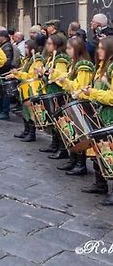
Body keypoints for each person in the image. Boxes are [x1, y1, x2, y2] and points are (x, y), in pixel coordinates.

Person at [50, 36, 94, 176]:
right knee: (72, 133)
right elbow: (68, 77)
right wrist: (58, 75)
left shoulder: (83, 65)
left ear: (77, 49)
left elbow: (80, 88)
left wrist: (65, 82)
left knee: (79, 133)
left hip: (80, 103)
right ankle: (73, 160)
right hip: (72, 101)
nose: (67, 51)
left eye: (69, 48)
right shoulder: (74, 63)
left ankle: (81, 164)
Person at [80, 36, 113, 205]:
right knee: (97, 150)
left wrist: (92, 93)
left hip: (110, 115)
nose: (98, 50)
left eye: (101, 48)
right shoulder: (101, 67)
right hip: (99, 113)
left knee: (110, 152)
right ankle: (100, 184)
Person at [38, 34, 71, 159]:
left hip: (57, 92)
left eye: (50, 44)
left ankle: (62, 148)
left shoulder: (60, 59)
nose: (47, 46)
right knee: (53, 119)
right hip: (50, 91)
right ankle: (54, 144)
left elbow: (60, 78)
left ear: (56, 45)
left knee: (59, 120)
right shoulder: (52, 57)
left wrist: (49, 74)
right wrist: (43, 73)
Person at [9, 39, 44, 142]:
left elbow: (32, 76)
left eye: (26, 47)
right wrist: (13, 74)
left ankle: (32, 133)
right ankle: (26, 130)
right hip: (24, 87)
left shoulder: (36, 60)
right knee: (25, 110)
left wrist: (18, 74)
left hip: (31, 88)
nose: (24, 49)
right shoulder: (27, 60)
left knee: (30, 111)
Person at [0, 30, 14, 120]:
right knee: (0, 93)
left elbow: (7, 61)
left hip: (5, 73)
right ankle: (0, 110)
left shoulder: (7, 47)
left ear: (4, 37)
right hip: (2, 72)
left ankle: (4, 112)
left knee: (4, 93)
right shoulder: (3, 46)